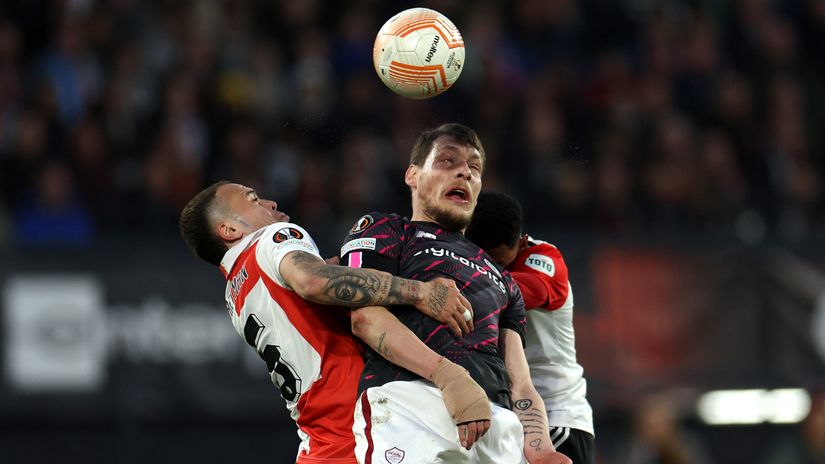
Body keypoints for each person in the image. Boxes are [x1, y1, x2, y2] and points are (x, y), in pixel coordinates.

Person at [179, 181, 492, 463]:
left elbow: (313, 286)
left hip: (319, 444)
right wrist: (419, 292)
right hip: (364, 429)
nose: (270, 203)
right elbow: (313, 281)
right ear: (230, 230)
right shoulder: (272, 238)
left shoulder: (235, 293)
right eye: (253, 199)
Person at [340, 123, 571, 464]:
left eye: (474, 168)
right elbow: (365, 318)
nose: (464, 172)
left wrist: (541, 450)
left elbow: (520, 381)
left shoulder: (501, 277)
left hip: (498, 426)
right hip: (411, 405)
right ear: (413, 175)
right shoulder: (387, 230)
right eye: (447, 162)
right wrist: (448, 377)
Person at [465, 191, 595, 464]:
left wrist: (460, 275)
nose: (488, 267)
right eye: (481, 260)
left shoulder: (544, 259)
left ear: (521, 243)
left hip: (556, 420)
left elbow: (526, 291)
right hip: (507, 415)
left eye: (497, 262)